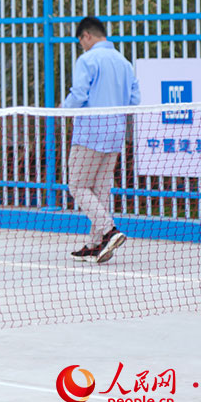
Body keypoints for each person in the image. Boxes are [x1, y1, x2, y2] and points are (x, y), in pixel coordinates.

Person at [62, 16, 140, 263]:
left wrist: (63, 109)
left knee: (77, 186)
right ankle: (95, 244)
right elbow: (135, 100)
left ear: (86, 36)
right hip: (115, 134)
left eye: (81, 41)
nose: (82, 46)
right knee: (100, 189)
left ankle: (109, 231)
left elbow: (79, 93)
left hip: (90, 134)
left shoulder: (88, 59)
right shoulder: (124, 62)